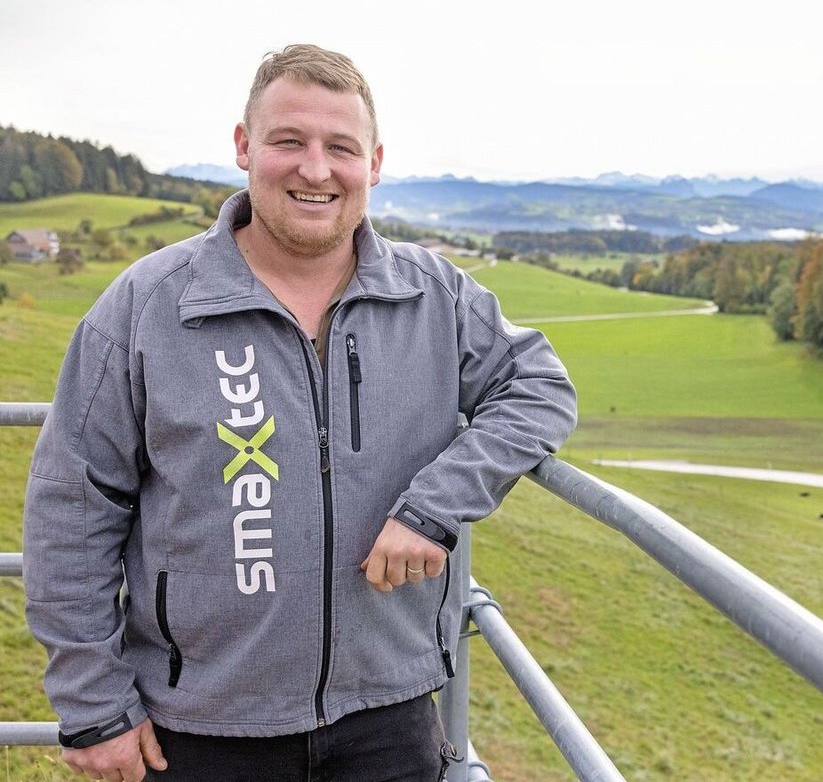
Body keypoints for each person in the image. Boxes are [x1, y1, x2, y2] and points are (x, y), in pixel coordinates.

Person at [22, 44, 577, 782]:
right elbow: (71, 507)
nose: (315, 170)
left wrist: (434, 508)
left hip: (392, 714)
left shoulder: (433, 296)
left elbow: (539, 386)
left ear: (373, 164)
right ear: (245, 147)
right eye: (289, 141)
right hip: (199, 728)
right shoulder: (149, 306)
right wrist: (94, 707)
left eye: (340, 148)